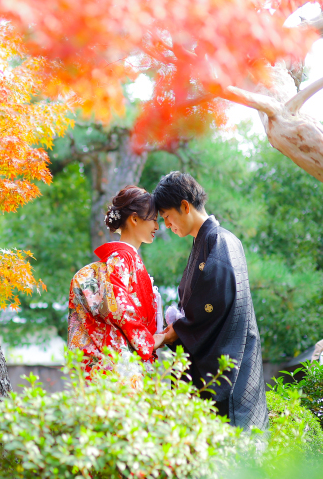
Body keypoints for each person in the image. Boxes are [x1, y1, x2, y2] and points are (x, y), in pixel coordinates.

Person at [152, 171, 268, 430]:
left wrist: (177, 330)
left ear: (185, 206)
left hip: (231, 364)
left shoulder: (218, 241)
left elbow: (213, 306)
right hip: (229, 354)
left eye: (167, 217)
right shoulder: (210, 241)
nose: (166, 225)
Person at [68, 186, 163, 377]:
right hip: (123, 365)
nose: (157, 226)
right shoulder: (121, 257)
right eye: (153, 219)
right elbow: (117, 306)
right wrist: (150, 341)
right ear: (134, 219)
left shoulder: (125, 257)